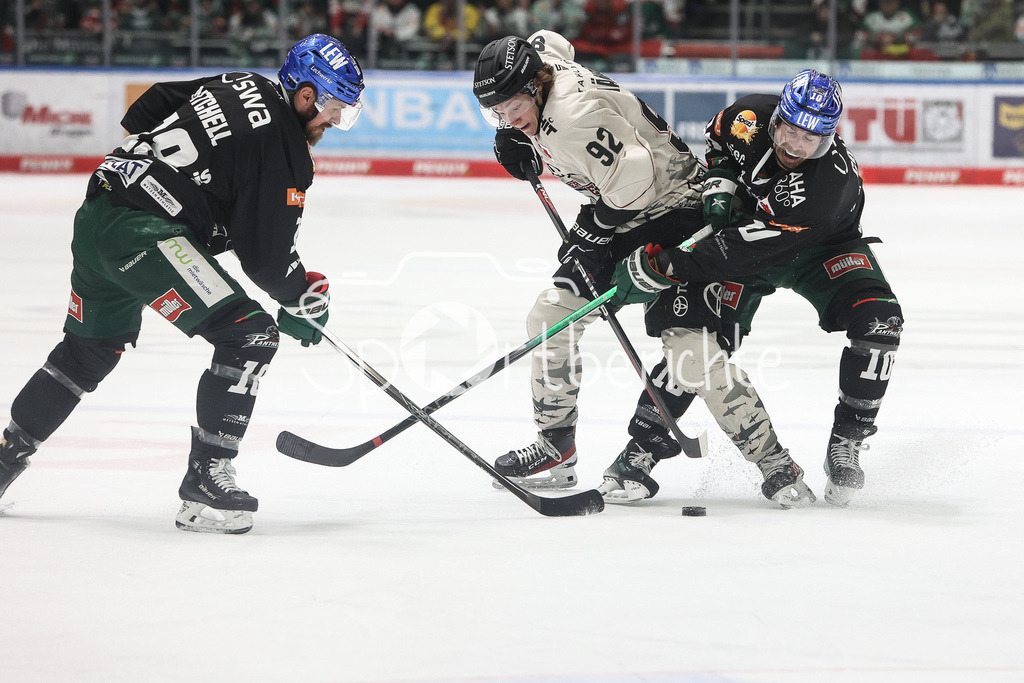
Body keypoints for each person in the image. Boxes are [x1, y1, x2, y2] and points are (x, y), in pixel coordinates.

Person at [0, 34, 364, 534]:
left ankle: (3, 462)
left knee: (86, 353)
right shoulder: (285, 150)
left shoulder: (240, 82)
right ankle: (205, 483)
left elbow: (153, 101)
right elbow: (265, 257)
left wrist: (152, 171)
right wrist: (299, 296)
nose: (335, 122)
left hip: (100, 212)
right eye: (334, 109)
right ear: (306, 95)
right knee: (250, 335)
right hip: (144, 234)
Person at [472, 32, 817, 508]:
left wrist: (594, 228)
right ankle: (556, 446)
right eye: (496, 112)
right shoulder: (543, 62)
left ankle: (776, 463)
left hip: (678, 213)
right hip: (625, 211)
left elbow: (637, 174)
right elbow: (552, 40)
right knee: (551, 316)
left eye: (514, 107)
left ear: (537, 84)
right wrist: (513, 132)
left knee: (691, 357)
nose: (509, 118)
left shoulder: (571, 120)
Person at [608, 69, 904, 507]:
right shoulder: (746, 116)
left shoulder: (827, 186)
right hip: (746, 236)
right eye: (790, 130)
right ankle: (642, 449)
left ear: (827, 138)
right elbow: (718, 140)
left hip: (819, 248)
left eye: (810, 138)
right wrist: (721, 182)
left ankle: (848, 440)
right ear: (777, 117)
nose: (795, 145)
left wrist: (666, 266)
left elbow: (739, 251)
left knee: (880, 320)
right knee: (700, 343)